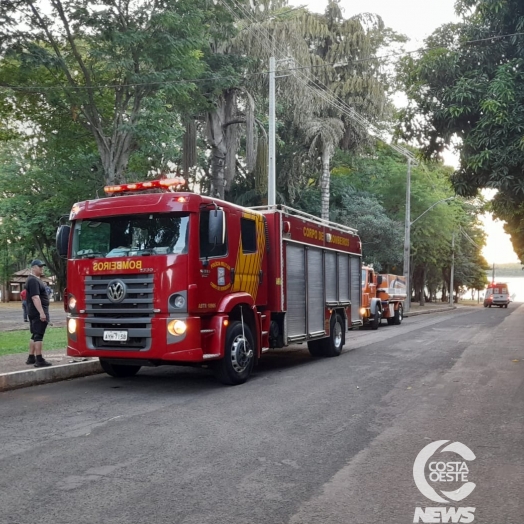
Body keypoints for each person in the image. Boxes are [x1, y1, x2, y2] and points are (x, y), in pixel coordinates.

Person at [25, 259, 52, 367]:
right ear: (33, 268)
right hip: (37, 312)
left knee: (34, 334)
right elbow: (35, 297)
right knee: (39, 335)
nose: (41, 268)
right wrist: (41, 312)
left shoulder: (34, 280)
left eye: (42, 266)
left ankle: (31, 358)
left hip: (34, 311)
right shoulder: (33, 280)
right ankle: (39, 359)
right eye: (39, 266)